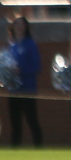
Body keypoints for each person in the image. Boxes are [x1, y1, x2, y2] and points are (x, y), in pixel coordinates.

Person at [6, 17, 43, 147]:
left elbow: (36, 67)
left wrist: (20, 70)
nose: (19, 27)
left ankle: (39, 148)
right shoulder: (12, 46)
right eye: (17, 24)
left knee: (31, 120)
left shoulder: (30, 44)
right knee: (15, 124)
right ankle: (15, 151)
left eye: (22, 24)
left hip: (27, 89)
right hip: (13, 90)